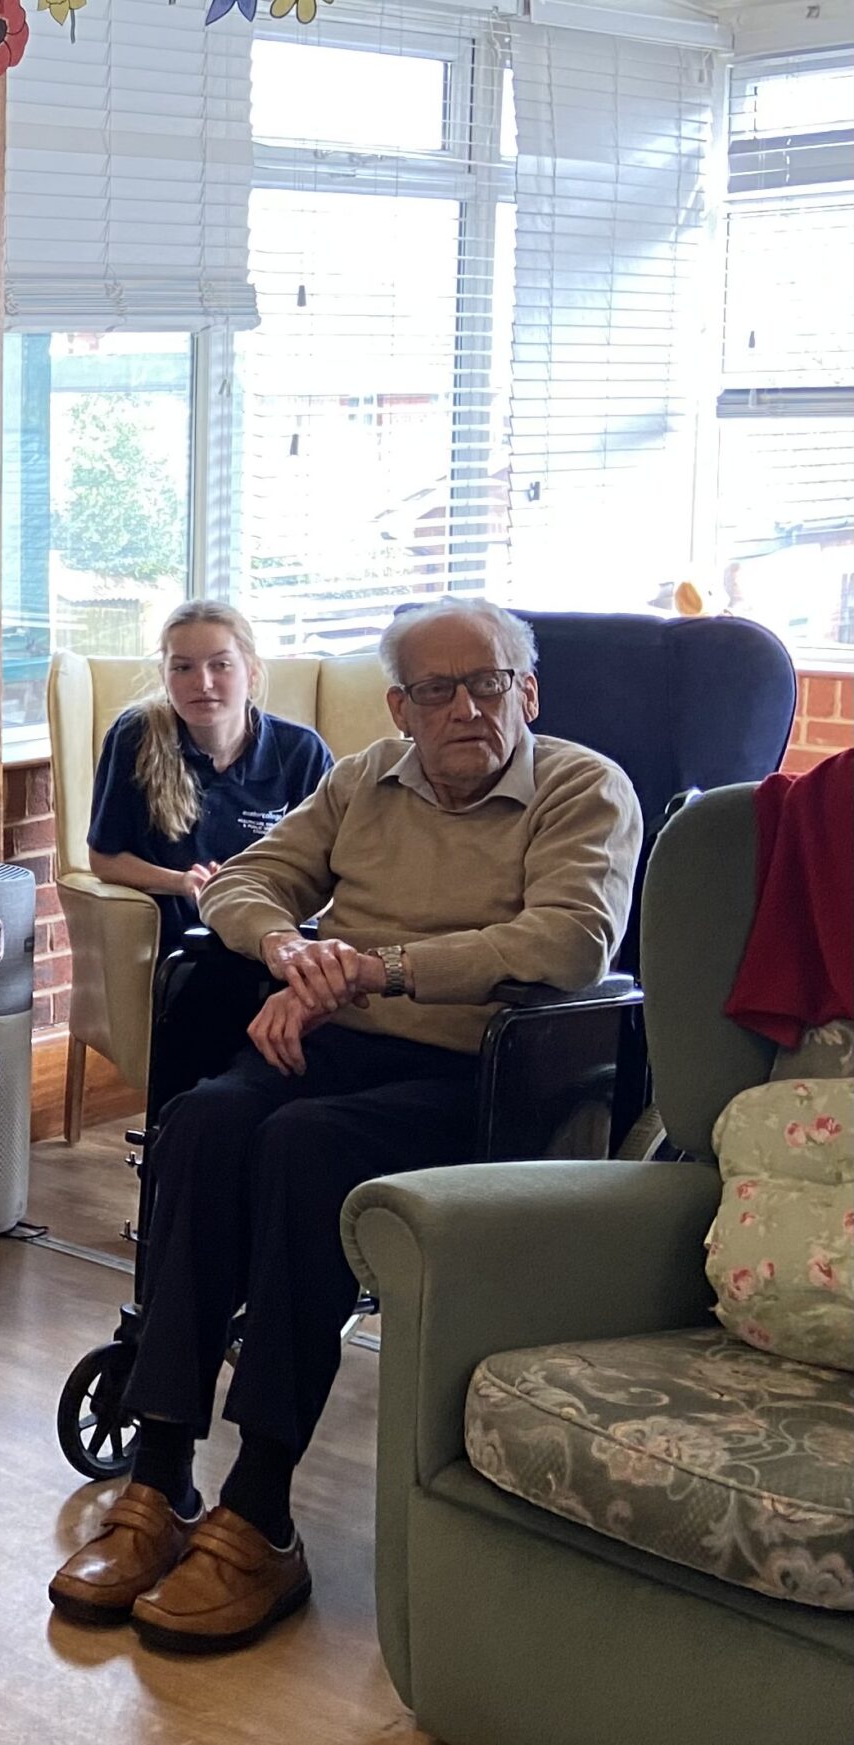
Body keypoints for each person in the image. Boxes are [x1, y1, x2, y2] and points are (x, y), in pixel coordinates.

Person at [48, 597, 642, 1653]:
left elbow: (569, 941)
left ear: (528, 689)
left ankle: (263, 1506)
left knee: (301, 1146)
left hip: (484, 1071)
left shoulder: (583, 788)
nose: (468, 706)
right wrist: (290, 952)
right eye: (437, 690)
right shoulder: (364, 777)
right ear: (400, 706)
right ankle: (159, 1471)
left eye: (490, 682)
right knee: (203, 1121)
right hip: (333, 1040)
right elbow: (244, 880)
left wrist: (377, 967)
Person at [88, 601, 334, 954]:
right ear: (164, 676)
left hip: (280, 936)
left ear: (251, 672)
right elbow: (104, 860)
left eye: (221, 665)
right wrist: (184, 882)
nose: (202, 683)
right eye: (183, 667)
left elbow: (331, 868)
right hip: (182, 947)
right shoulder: (135, 738)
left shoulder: (302, 752)